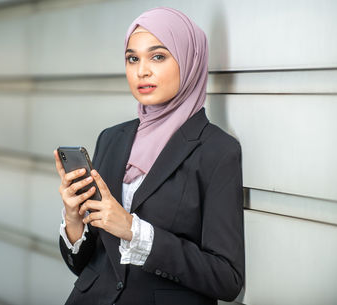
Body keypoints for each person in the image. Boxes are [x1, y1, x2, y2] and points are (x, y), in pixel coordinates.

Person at [53, 7, 244, 305]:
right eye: (133, 58)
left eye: (158, 56)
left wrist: (134, 231)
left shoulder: (217, 151)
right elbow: (85, 266)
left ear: (189, 60)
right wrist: (73, 219)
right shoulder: (112, 138)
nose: (142, 70)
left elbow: (227, 279)